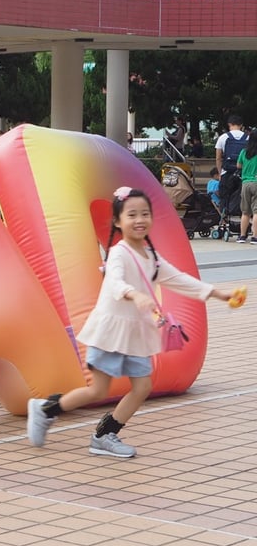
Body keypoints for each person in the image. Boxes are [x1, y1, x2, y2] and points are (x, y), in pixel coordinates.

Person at [26, 187, 237, 458]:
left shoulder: (152, 257)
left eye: (145, 214)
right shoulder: (119, 253)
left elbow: (179, 280)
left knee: (143, 387)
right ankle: (45, 410)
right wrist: (133, 294)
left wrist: (219, 293)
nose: (139, 220)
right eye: (132, 215)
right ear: (117, 221)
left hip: (137, 334)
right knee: (97, 390)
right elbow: (114, 281)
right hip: (111, 331)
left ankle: (104, 434)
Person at [234, 130, 257, 243]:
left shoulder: (244, 152)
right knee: (256, 212)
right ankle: (255, 237)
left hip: (245, 183)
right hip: (256, 182)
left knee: (245, 212)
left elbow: (238, 165)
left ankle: (242, 236)